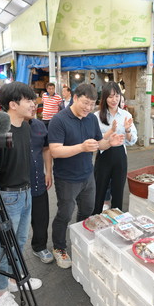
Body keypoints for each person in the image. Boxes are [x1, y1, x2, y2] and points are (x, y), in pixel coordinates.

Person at [48, 84, 124, 268]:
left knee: (87, 210)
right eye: (85, 103)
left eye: (92, 104)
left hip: (87, 174)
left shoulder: (90, 119)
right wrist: (81, 147)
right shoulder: (59, 120)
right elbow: (55, 151)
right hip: (66, 177)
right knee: (65, 213)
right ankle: (59, 247)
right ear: (75, 98)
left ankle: (80, 240)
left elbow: (98, 144)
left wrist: (109, 143)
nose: (89, 108)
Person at [0, 82, 42, 306]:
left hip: (25, 191)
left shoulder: (26, 126)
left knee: (20, 239)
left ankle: (14, 279)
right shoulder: (0, 130)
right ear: (13, 104)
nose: (34, 104)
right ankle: (0, 293)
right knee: (4, 245)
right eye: (29, 100)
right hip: (7, 195)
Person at [93, 82, 137, 215]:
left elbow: (132, 140)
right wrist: (110, 132)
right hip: (103, 155)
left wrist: (128, 129)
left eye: (117, 96)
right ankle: (95, 217)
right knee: (99, 190)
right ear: (105, 98)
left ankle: (117, 222)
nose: (114, 100)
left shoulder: (126, 115)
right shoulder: (97, 116)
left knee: (118, 191)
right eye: (111, 96)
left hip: (120, 156)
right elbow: (95, 139)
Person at [27, 104, 54, 264]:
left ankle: (39, 246)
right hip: (15, 187)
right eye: (28, 101)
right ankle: (12, 257)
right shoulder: (6, 127)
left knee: (41, 217)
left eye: (33, 101)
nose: (33, 105)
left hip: (38, 180)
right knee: (15, 223)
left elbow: (46, 149)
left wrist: (48, 172)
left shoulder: (39, 125)